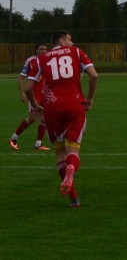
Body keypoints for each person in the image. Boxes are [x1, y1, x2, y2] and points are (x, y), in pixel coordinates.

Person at [25, 30, 98, 208]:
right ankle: (71, 169)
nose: (72, 43)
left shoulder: (42, 58)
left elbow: (28, 88)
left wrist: (35, 105)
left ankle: (73, 198)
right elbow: (94, 75)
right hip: (74, 105)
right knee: (72, 150)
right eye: (70, 40)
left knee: (59, 152)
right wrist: (90, 98)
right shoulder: (76, 52)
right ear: (63, 40)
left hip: (52, 108)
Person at [9, 43, 50, 151]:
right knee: (32, 118)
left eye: (45, 49)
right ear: (36, 50)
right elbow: (21, 77)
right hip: (33, 93)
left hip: (44, 93)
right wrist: (22, 93)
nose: (43, 51)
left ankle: (38, 144)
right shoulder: (31, 61)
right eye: (41, 49)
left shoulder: (49, 60)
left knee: (45, 119)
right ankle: (13, 138)